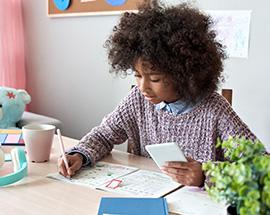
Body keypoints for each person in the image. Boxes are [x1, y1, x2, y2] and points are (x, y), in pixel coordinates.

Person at [58, 0, 257, 187]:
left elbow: (261, 167)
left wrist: (206, 174)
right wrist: (80, 155)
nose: (143, 87)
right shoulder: (137, 99)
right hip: (147, 195)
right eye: (137, 75)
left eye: (155, 79)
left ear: (184, 74)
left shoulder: (214, 110)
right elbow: (104, 134)